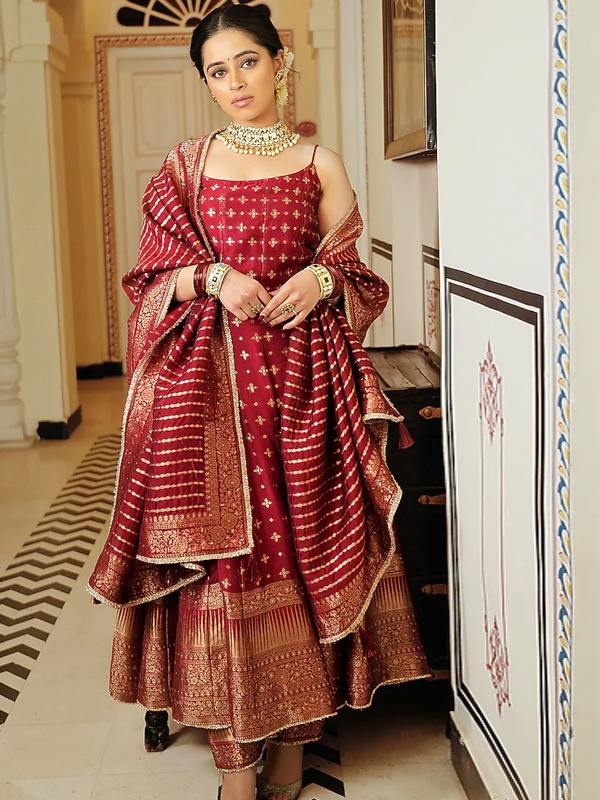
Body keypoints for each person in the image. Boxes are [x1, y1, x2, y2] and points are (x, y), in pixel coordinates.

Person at [88, 5, 429, 799]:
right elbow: (147, 282)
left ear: (279, 62)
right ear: (205, 81)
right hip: (206, 400)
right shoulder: (185, 167)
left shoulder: (320, 163)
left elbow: (360, 276)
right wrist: (211, 278)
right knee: (226, 574)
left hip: (304, 395)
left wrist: (321, 279)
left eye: (247, 62)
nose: (234, 82)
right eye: (217, 70)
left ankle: (291, 749)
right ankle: (238, 763)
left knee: (299, 561)